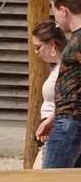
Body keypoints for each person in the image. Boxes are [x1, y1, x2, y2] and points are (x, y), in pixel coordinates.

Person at [41, 0, 81, 169]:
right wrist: (52, 117)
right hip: (66, 118)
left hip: (70, 123)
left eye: (54, 12)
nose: (55, 20)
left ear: (63, 10)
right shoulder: (75, 38)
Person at [30, 19, 67, 168]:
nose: (36, 52)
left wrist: (50, 120)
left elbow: (68, 100)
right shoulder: (58, 68)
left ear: (52, 44)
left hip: (56, 127)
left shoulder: (66, 69)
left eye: (38, 47)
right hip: (51, 128)